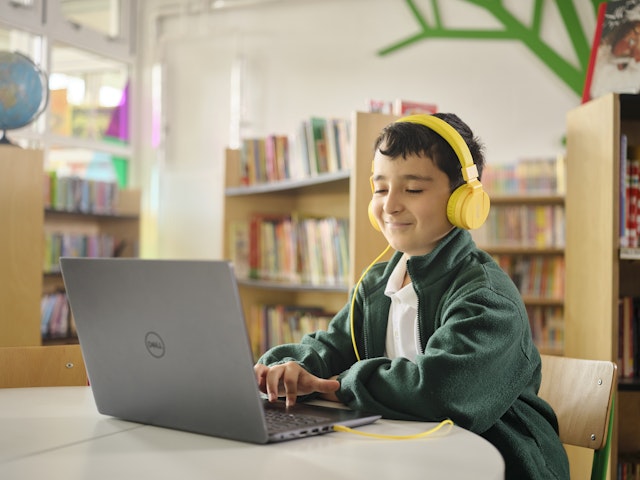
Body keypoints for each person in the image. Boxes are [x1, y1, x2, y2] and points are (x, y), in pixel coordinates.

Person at [254, 113, 570, 480]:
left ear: (464, 199)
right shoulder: (378, 281)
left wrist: (341, 385)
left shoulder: (487, 296)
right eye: (380, 188)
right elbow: (333, 344)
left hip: (496, 463)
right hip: (411, 455)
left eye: (413, 189)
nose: (390, 205)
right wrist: (290, 366)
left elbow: (441, 390)